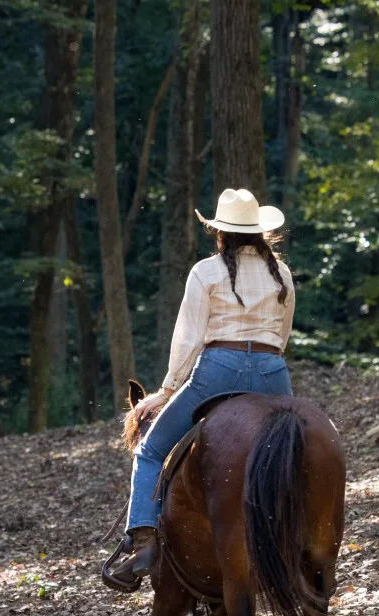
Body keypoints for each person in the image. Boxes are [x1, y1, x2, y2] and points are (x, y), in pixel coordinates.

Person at [101, 187, 295, 592]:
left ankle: (144, 543)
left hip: (218, 370)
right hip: (271, 371)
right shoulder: (281, 272)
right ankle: (299, 540)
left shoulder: (205, 272)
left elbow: (188, 338)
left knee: (150, 451)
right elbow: (283, 334)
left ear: (220, 232)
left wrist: (166, 390)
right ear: (259, 231)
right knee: (293, 457)